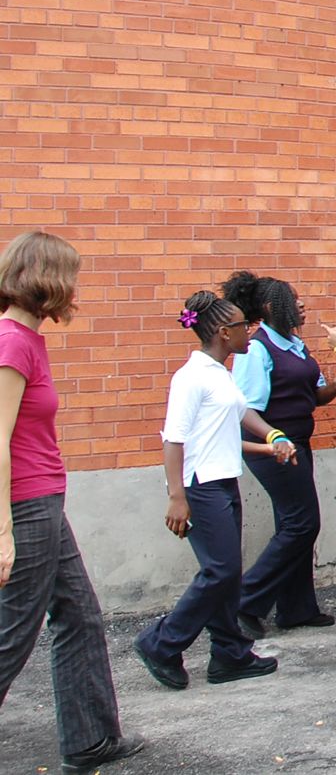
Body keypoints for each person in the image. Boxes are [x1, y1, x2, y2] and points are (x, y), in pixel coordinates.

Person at [0, 232, 145, 773]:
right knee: (13, 635)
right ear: (49, 280)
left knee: (80, 616)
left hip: (43, 499)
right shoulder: (11, 340)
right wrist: (3, 532)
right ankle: (89, 740)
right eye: (72, 276)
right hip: (25, 505)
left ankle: (90, 741)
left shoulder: (27, 339)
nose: (76, 288)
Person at [135, 290, 297, 691]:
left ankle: (229, 655)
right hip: (199, 486)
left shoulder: (219, 374)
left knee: (226, 573)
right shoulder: (190, 378)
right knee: (220, 571)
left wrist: (272, 439)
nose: (250, 331)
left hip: (223, 480)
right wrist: (177, 496)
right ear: (225, 332)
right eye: (244, 325)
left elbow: (238, 420)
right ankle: (161, 643)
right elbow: (174, 440)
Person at [222, 271, 336, 640]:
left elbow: (316, 395)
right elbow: (246, 409)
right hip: (273, 449)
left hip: (298, 444)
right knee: (302, 523)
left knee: (294, 523)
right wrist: (274, 439)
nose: (302, 304)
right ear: (273, 307)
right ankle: (247, 602)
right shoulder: (257, 349)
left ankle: (296, 608)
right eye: (294, 298)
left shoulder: (294, 344)